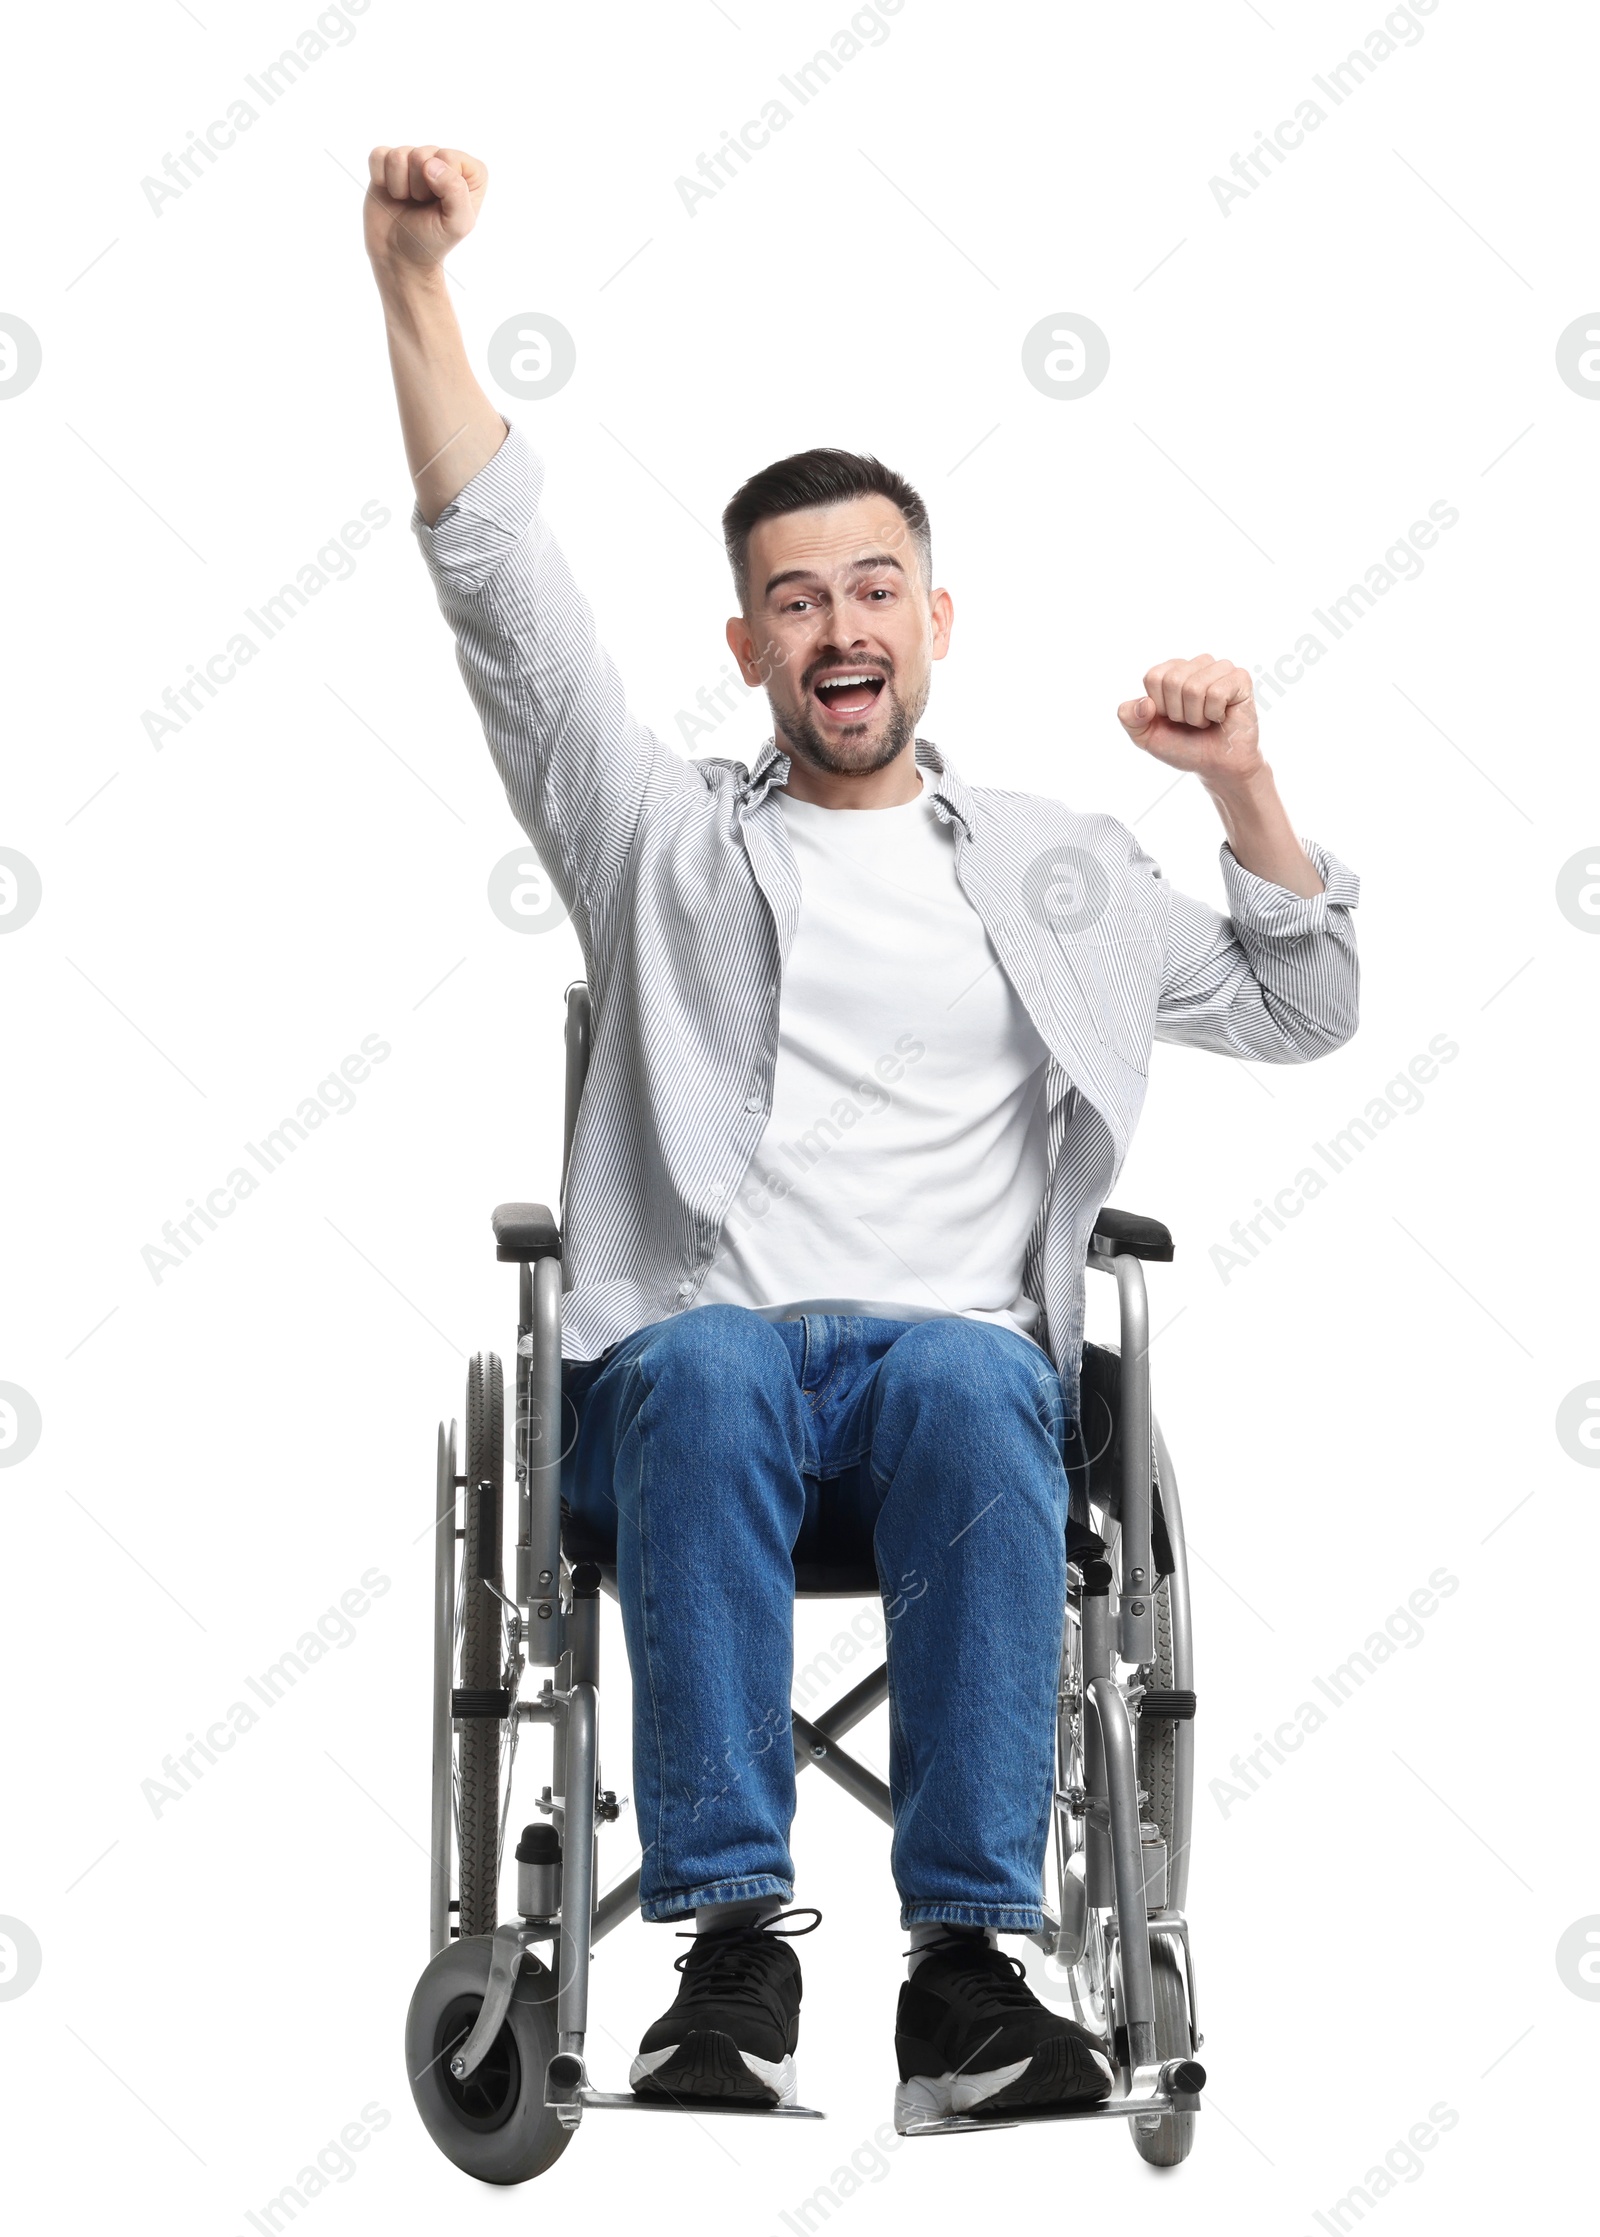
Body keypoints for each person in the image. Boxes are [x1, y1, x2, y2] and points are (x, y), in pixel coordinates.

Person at [365, 143, 1360, 2126]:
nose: (838, 626)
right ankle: (727, 1948)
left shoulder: (1059, 873)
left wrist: (1244, 786)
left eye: (873, 588)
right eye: (792, 597)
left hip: (946, 1392)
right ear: (745, 645)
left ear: (935, 620)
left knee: (984, 1376)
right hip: (701, 1384)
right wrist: (410, 284)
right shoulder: (656, 841)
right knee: (721, 1358)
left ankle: (965, 1977)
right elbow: (504, 596)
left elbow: (1297, 1000)